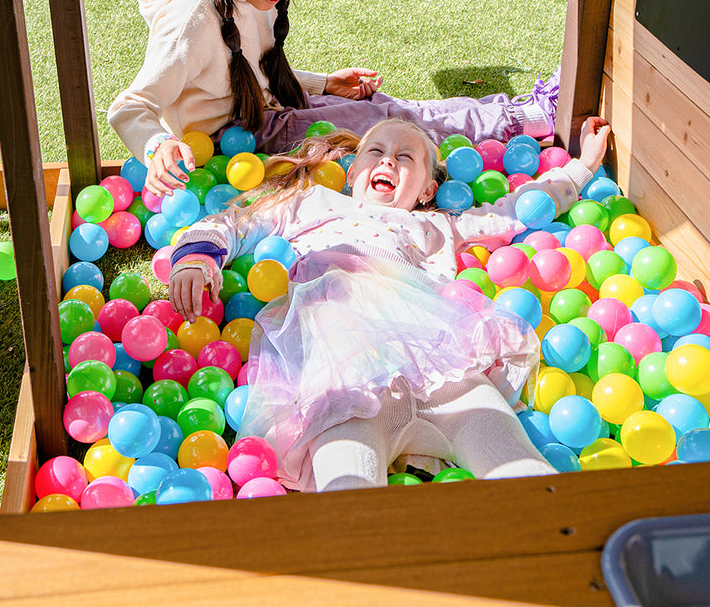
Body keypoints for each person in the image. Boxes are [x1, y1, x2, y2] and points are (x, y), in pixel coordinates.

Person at [168, 115, 611, 492]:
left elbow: (514, 210)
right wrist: (196, 257)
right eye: (374, 151)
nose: (387, 160)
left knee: (528, 475)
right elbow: (238, 221)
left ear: (426, 189)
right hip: (343, 378)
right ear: (352, 168)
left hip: (441, 366)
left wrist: (580, 169)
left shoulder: (433, 226)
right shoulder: (313, 203)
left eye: (405, 157)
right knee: (350, 501)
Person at [108, 0, 560, 196]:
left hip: (270, 110)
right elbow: (130, 107)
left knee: (394, 111)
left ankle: (523, 111)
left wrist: (322, 83)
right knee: (395, 133)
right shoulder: (192, 17)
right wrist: (158, 146)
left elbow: (241, 65)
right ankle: (531, 119)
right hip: (243, 142)